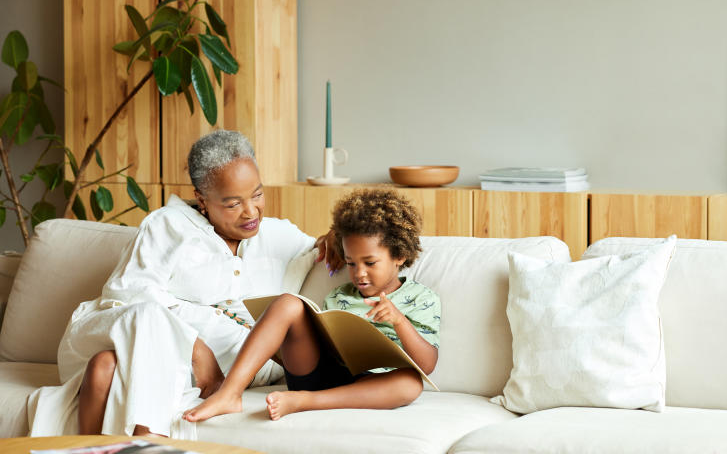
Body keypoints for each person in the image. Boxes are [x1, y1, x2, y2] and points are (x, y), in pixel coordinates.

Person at [28, 130, 338, 438]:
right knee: (147, 316)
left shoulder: (278, 235)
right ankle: (150, 441)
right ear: (202, 199)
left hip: (218, 367)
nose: (251, 211)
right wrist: (194, 346)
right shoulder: (168, 226)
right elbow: (127, 294)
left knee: (104, 367)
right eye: (232, 204)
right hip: (133, 337)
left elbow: (323, 246)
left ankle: (99, 447)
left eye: (257, 194)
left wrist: (334, 237)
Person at [183, 188, 440, 422]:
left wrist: (399, 320)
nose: (359, 273)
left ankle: (305, 403)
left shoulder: (421, 298)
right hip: (321, 374)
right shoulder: (340, 295)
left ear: (399, 256)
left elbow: (427, 364)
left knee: (410, 384)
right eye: (351, 263)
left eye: (370, 263)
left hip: (371, 387)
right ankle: (229, 393)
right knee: (287, 303)